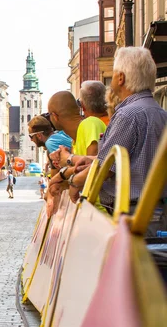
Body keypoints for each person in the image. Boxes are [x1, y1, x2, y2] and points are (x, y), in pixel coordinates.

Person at [66, 47, 167, 234]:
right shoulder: (161, 113)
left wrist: (74, 183)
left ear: (121, 78)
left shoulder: (127, 115)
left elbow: (105, 168)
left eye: (113, 73)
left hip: (131, 212)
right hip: (158, 211)